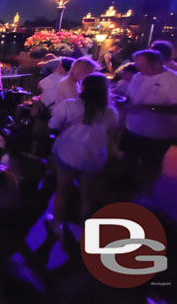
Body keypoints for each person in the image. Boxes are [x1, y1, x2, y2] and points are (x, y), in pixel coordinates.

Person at [47, 74, 119, 236]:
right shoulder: (110, 112)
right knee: (88, 196)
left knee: (62, 190)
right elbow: (112, 131)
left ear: (83, 87)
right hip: (93, 157)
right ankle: (83, 231)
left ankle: (57, 224)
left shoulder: (69, 106)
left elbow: (54, 124)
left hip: (68, 153)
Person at [122, 49, 177, 182]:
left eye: (143, 66)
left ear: (157, 63)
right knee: (128, 162)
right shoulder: (138, 77)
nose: (140, 69)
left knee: (150, 168)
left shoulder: (172, 80)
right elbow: (131, 98)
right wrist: (122, 102)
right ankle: (129, 189)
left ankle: (147, 194)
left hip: (156, 134)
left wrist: (148, 108)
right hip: (132, 129)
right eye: (138, 65)